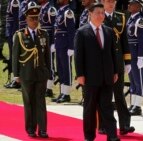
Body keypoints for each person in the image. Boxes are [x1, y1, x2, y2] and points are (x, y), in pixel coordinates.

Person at [74, 2, 120, 141]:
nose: (101, 15)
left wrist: (115, 71)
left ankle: (112, 136)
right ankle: (89, 136)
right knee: (89, 108)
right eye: (97, 13)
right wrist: (80, 74)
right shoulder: (82, 32)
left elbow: (113, 54)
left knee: (108, 107)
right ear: (90, 14)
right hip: (90, 77)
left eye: (102, 13)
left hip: (107, 76)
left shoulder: (109, 31)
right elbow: (78, 56)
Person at [12, 2, 50, 138]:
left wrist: (49, 72)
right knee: (29, 102)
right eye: (32, 18)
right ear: (26, 20)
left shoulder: (44, 34)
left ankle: (43, 129)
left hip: (41, 74)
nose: (35, 21)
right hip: (26, 74)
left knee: (41, 101)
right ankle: (30, 129)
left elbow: (47, 56)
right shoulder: (20, 35)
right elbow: (15, 56)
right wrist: (15, 74)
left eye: (36, 18)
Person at [98, 0, 135, 135]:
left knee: (119, 94)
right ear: (102, 2)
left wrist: (128, 61)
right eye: (108, 1)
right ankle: (103, 125)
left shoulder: (121, 17)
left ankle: (124, 124)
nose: (111, 3)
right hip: (104, 62)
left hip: (118, 61)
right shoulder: (99, 15)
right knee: (104, 95)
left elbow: (124, 40)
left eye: (113, 1)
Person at [52, 0, 75, 103]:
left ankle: (67, 94)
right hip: (59, 45)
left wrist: (71, 47)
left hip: (65, 46)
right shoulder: (60, 11)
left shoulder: (68, 12)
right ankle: (62, 92)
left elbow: (71, 31)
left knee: (66, 69)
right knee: (60, 69)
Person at [126, 0, 143, 116]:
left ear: (138, 7)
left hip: (136, 55)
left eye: (132, 4)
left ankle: (138, 106)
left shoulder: (140, 21)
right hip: (130, 55)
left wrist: (140, 57)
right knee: (132, 80)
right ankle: (133, 104)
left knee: (138, 80)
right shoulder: (130, 19)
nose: (129, 6)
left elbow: (141, 41)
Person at [38, 0, 57, 97]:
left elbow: (54, 27)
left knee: (50, 64)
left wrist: (54, 43)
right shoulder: (42, 8)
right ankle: (45, 86)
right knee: (44, 63)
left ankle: (49, 88)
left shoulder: (51, 9)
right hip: (43, 41)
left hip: (49, 42)